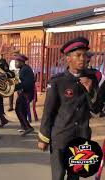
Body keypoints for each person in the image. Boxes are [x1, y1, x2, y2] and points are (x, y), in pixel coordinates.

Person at [37, 37, 98, 180]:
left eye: (85, 55)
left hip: (81, 136)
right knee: (58, 176)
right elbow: (48, 111)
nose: (82, 59)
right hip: (61, 136)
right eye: (78, 55)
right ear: (68, 59)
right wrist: (43, 138)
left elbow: (96, 109)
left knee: (74, 176)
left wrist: (90, 90)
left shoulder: (91, 79)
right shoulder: (58, 81)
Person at [14, 54, 35, 136]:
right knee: (22, 110)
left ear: (21, 62)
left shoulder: (25, 70)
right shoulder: (24, 68)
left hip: (27, 93)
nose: (15, 63)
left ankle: (28, 127)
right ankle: (24, 126)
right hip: (25, 92)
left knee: (19, 109)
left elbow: (26, 84)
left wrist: (14, 88)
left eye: (17, 62)